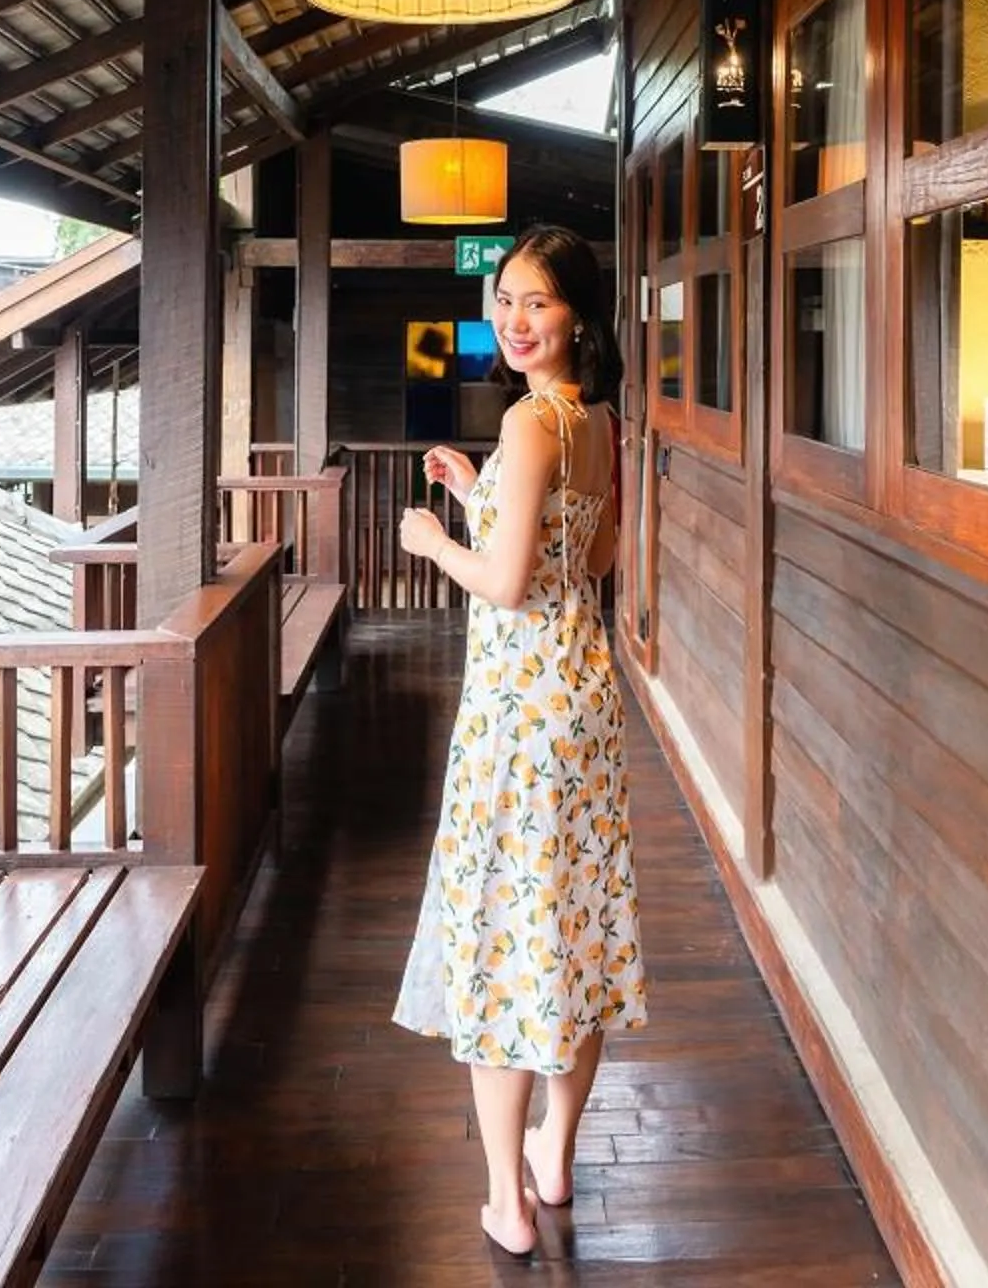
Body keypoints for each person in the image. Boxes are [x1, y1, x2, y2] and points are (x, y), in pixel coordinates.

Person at [390, 224, 648, 1259]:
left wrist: (434, 537)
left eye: (534, 300)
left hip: (517, 715)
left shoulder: (530, 421)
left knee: (501, 937)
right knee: (570, 928)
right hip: (583, 703)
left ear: (575, 313)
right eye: (504, 299)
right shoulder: (599, 420)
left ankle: (506, 1195)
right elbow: (594, 553)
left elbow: (503, 582)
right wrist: (478, 488)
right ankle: (559, 1151)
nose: (513, 318)